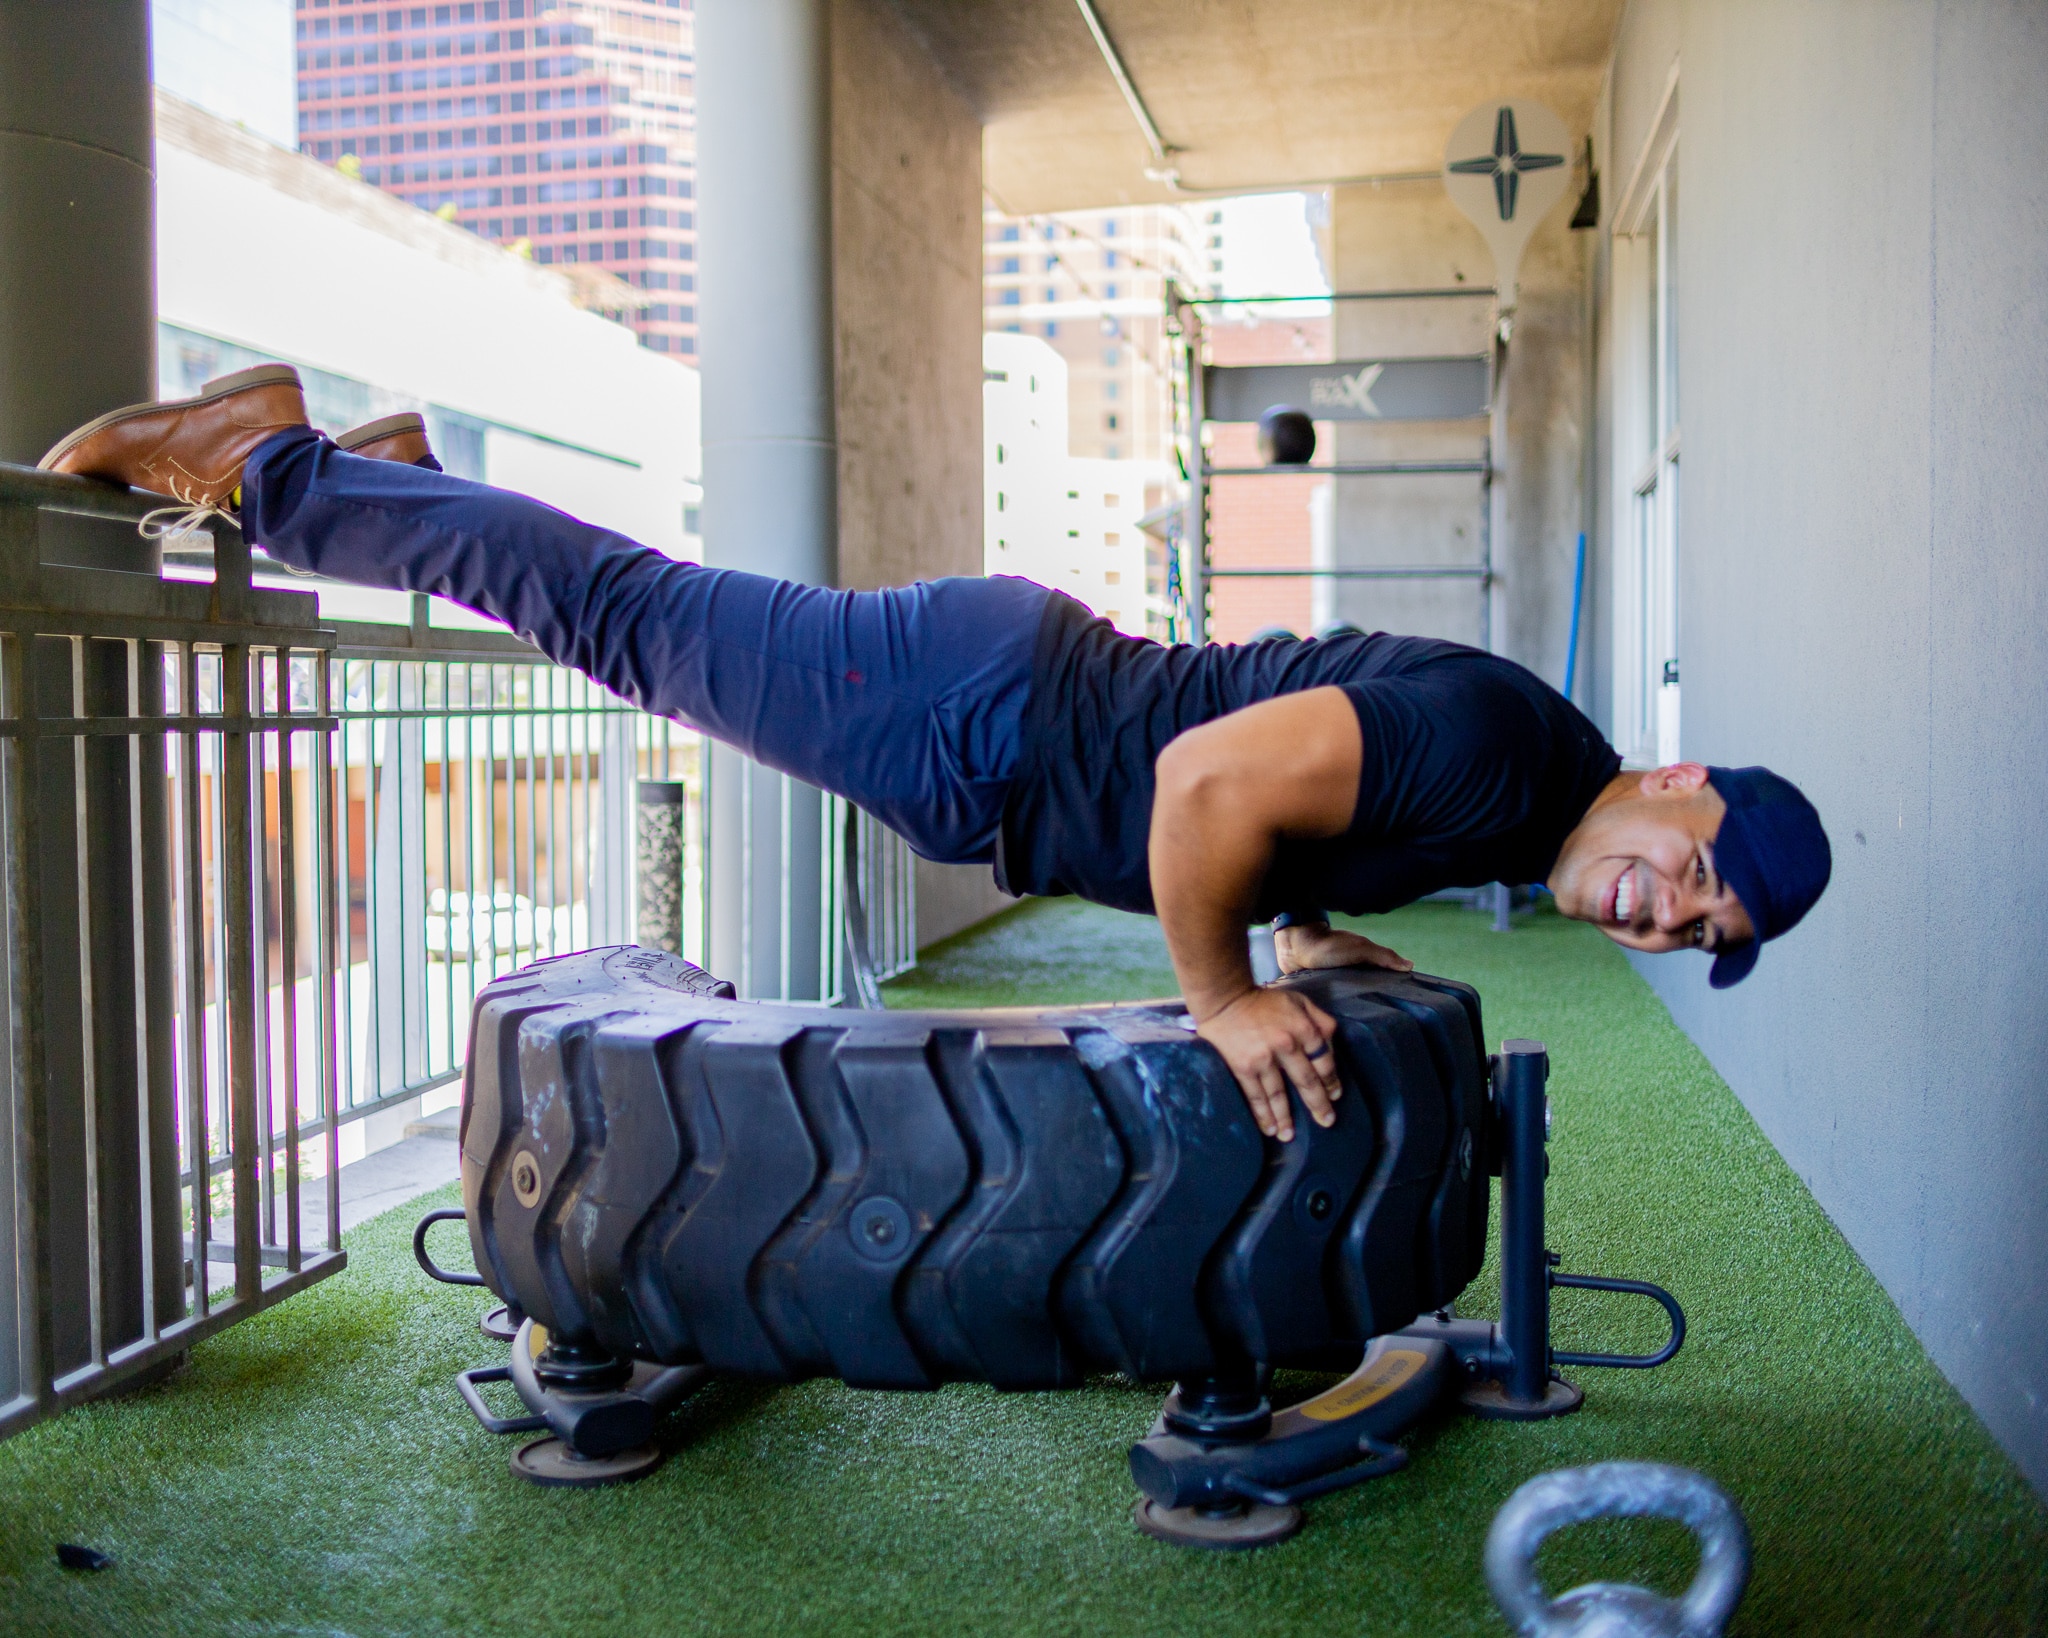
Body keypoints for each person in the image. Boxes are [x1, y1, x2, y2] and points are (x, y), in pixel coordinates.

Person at [41, 366, 1832, 1143]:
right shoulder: (1498, 747)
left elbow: (1293, 789)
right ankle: (269, 460)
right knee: (633, 623)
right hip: (992, 710)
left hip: (999, 723)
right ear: (1679, 783)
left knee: (638, 621)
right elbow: (1206, 785)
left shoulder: (1532, 793)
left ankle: (395, 468)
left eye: (1699, 937)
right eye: (1697, 874)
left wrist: (1302, 938)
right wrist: (1223, 996)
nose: (1670, 917)